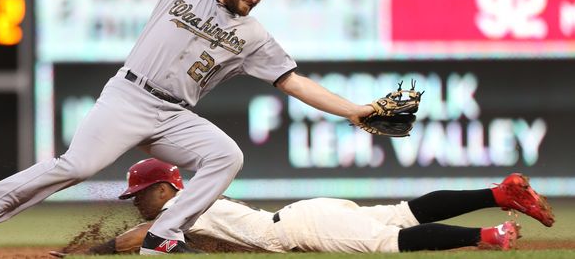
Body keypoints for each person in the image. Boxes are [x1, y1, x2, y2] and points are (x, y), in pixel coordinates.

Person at [0, 0, 379, 258]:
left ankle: (163, 234)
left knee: (227, 156)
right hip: (130, 96)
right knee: (77, 165)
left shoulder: (253, 35)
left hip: (174, 114)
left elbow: (294, 82)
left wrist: (356, 111)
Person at [50, 158, 555, 255]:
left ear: (163, 190)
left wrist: (87, 255)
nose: (136, 204)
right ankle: (498, 193)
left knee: (390, 239)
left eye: (140, 194)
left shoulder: (178, 209)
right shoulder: (192, 202)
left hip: (302, 227)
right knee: (403, 213)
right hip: (307, 213)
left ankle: (488, 236)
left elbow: (140, 241)